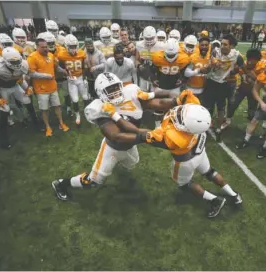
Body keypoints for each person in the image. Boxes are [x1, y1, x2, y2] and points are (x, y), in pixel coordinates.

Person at [51, 73, 193, 202]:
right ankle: (61, 184)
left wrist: (176, 101)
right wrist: (145, 136)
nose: (115, 92)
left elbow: (158, 104)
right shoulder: (100, 108)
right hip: (112, 148)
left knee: (132, 163)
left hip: (131, 144)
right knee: (93, 181)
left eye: (116, 87)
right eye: (110, 90)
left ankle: (119, 166)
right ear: (101, 93)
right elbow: (116, 136)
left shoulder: (130, 93)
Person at [104, 93, 242, 217]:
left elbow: (138, 133)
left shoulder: (172, 138)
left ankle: (214, 200)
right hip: (199, 151)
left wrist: (114, 115)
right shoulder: (195, 114)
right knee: (209, 171)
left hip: (185, 162)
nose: (179, 113)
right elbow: (186, 96)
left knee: (184, 184)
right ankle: (234, 195)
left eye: (182, 117)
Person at [0, 48, 39, 148]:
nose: (16, 63)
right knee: (5, 110)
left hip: (16, 86)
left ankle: (37, 123)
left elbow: (26, 76)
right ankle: (4, 139)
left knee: (27, 100)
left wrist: (28, 87)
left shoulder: (24, 64)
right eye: (13, 62)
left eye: (18, 61)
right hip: (3, 89)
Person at [202, 34, 244, 142]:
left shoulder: (238, 56)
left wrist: (235, 73)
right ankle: (204, 127)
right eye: (222, 44)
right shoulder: (215, 51)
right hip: (211, 81)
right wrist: (212, 64)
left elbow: (241, 68)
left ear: (232, 46)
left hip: (223, 84)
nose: (222, 46)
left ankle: (219, 129)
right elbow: (212, 64)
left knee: (221, 108)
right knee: (207, 107)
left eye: (225, 44)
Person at [27, 38, 69, 137]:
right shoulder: (32, 57)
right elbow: (31, 74)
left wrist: (63, 71)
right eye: (43, 47)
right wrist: (46, 76)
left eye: (46, 47)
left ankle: (61, 123)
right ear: (37, 47)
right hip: (41, 89)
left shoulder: (50, 55)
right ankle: (48, 127)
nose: (46, 49)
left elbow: (55, 67)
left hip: (53, 87)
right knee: (44, 109)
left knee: (57, 106)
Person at [57, 34, 89, 126]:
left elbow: (84, 66)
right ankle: (77, 115)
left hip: (80, 78)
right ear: (67, 46)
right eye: (71, 47)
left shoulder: (82, 53)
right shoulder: (62, 55)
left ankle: (87, 113)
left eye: (74, 46)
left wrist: (85, 77)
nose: (73, 49)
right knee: (75, 99)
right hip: (71, 80)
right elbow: (59, 67)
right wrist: (66, 72)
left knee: (85, 97)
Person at [226, 49, 263, 122]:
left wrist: (253, 79)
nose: (250, 62)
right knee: (233, 104)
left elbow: (261, 83)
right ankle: (228, 119)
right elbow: (231, 74)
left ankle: (250, 122)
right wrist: (234, 69)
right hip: (242, 88)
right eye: (249, 59)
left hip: (254, 90)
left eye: (253, 60)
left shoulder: (261, 68)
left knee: (252, 108)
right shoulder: (243, 65)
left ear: (257, 60)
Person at [135, 26, 165, 92]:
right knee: (143, 94)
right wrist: (139, 66)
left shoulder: (162, 46)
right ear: (143, 37)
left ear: (155, 36)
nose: (149, 40)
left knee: (155, 95)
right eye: (147, 38)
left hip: (156, 75)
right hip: (144, 75)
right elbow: (136, 59)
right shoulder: (139, 45)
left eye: (151, 38)